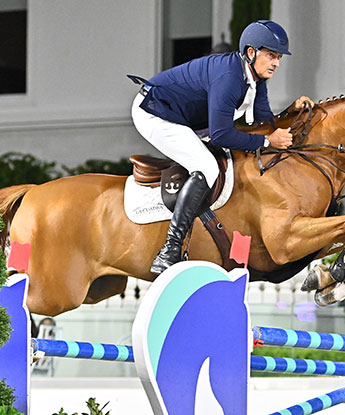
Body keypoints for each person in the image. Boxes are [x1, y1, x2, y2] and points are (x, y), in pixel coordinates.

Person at [130, 19, 313, 274]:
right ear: (251, 52)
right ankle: (170, 249)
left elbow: (262, 123)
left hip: (182, 117)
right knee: (206, 166)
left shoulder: (255, 79)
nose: (276, 63)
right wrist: (268, 141)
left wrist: (290, 113)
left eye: (279, 57)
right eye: (271, 55)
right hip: (155, 113)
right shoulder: (229, 78)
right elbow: (220, 135)